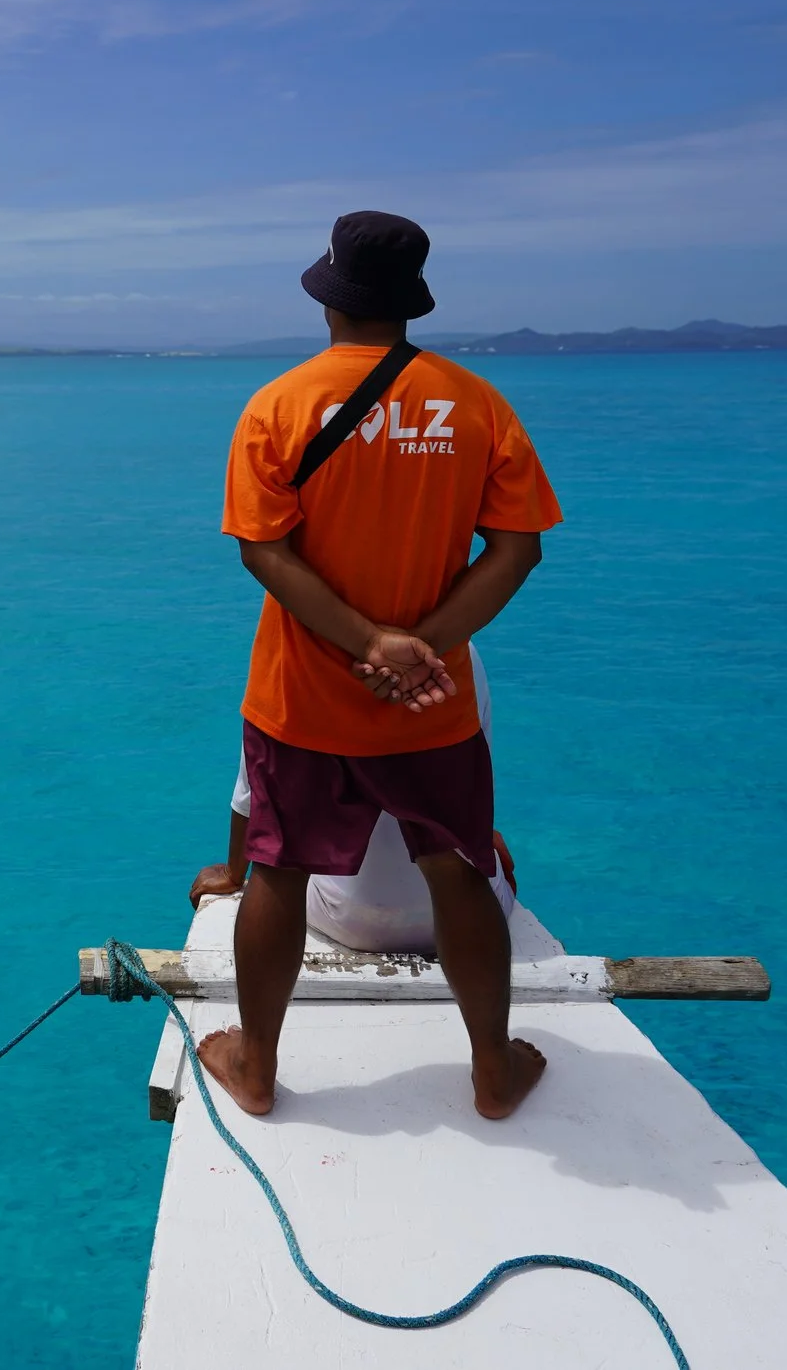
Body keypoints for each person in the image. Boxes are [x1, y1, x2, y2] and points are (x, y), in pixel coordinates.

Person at [199, 211, 561, 1121]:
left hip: (302, 699)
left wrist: (365, 642)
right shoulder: (477, 404)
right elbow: (516, 550)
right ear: (408, 306)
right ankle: (490, 1071)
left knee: (277, 872)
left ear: (329, 298)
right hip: (428, 705)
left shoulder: (278, 405)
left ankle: (257, 1068)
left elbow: (264, 552)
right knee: (458, 870)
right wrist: (422, 645)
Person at [189, 644, 520, 957]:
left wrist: (234, 873)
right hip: (465, 912)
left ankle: (259, 1021)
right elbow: (470, 779)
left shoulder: (295, 653)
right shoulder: (461, 653)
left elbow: (252, 796)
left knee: (283, 872)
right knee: (492, 864)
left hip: (348, 918)